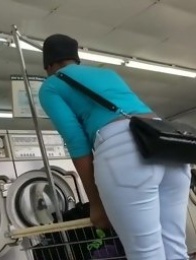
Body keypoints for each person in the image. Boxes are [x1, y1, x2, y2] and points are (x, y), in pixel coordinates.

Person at [38, 34, 191, 260]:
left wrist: (96, 204)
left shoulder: (51, 85)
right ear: (76, 58)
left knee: (146, 253)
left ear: (48, 65)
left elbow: (76, 141)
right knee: (175, 248)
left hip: (124, 152)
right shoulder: (107, 74)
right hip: (167, 144)